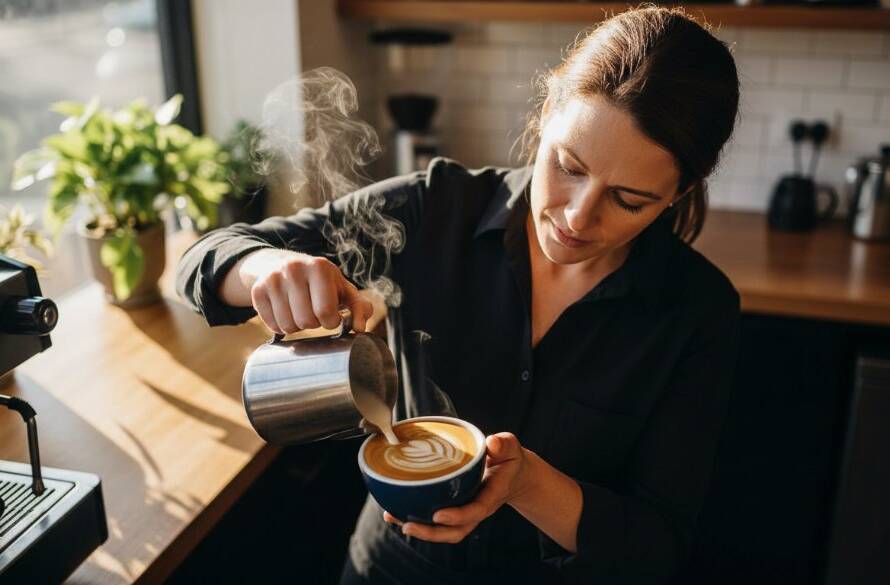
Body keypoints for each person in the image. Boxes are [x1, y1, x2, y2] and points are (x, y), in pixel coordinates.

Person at [176, 6, 741, 585]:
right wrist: (263, 266)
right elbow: (203, 260)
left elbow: (657, 548)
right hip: (390, 570)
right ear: (546, 115)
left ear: (678, 192)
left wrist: (527, 485)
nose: (577, 216)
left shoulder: (697, 311)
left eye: (629, 200)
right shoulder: (437, 207)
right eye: (568, 166)